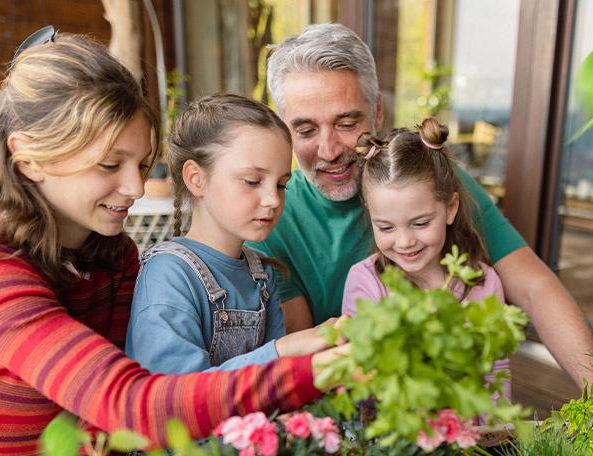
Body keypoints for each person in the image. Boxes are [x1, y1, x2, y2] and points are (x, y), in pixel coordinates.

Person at [0, 33, 344, 456]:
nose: (136, 189)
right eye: (109, 165)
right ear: (28, 160)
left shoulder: (113, 256)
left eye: (141, 165)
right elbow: (130, 404)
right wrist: (312, 368)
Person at [249, 22, 592, 386]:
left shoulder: (435, 183)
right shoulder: (271, 220)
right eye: (305, 131)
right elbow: (312, 360)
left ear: (377, 112)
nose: (329, 150)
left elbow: (535, 288)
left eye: (347, 123)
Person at [126, 94, 330, 374]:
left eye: (281, 184)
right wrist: (282, 351)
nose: (272, 199)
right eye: (252, 181)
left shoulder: (262, 275)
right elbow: (172, 394)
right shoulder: (168, 275)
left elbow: (275, 384)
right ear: (196, 179)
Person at [342, 118, 510, 398]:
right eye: (385, 227)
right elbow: (359, 377)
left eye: (420, 223)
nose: (405, 241)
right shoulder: (366, 282)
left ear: (450, 208)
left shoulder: (484, 283)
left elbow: (496, 375)